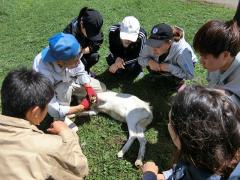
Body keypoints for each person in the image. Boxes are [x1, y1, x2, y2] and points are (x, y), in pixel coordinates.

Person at [0, 69, 89, 179]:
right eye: (48, 105)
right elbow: (80, 169)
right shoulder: (49, 147)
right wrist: (66, 132)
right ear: (36, 112)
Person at [142, 85, 240, 180]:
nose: (168, 126)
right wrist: (167, 176)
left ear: (188, 140)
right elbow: (183, 170)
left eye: (171, 123)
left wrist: (149, 175)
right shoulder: (203, 156)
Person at [33, 32, 106, 132]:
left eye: (78, 57)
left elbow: (80, 70)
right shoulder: (42, 71)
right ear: (59, 62)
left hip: (71, 80)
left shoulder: (70, 53)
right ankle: (60, 118)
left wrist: (88, 87)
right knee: (63, 88)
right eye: (75, 61)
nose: (78, 62)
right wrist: (81, 107)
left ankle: (73, 100)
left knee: (101, 89)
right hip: (55, 90)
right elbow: (52, 108)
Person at [193, 17, 240, 107]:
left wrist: (219, 95)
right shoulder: (215, 64)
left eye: (205, 57)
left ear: (225, 55)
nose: (201, 61)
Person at [138, 23, 197, 87]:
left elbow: (190, 75)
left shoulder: (182, 52)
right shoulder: (149, 45)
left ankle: (178, 81)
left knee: (176, 78)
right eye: (152, 43)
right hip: (164, 63)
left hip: (184, 64)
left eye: (158, 45)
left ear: (169, 42)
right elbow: (140, 59)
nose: (153, 48)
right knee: (152, 67)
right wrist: (149, 62)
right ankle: (162, 77)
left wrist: (170, 68)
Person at [64, 7, 104, 75]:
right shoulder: (69, 34)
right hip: (71, 57)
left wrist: (82, 51)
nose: (92, 36)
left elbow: (96, 43)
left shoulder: (93, 25)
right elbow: (66, 57)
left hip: (81, 52)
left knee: (94, 57)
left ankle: (85, 70)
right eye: (89, 34)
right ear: (82, 24)